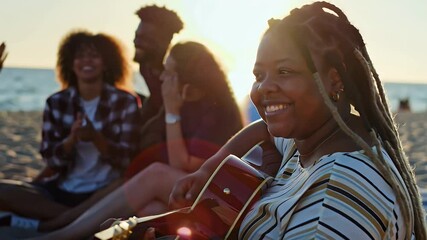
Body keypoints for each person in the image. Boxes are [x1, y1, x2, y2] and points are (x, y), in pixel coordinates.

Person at [167, 2, 426, 239]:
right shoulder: (312, 137)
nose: (264, 87)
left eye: (285, 71)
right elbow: (265, 131)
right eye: (259, 75)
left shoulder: (336, 199)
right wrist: (208, 170)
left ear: (334, 80)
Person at [29, 41, 243, 240]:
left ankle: (62, 236)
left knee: (156, 173)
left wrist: (171, 112)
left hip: (216, 197)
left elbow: (182, 165)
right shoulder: (185, 104)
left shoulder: (216, 112)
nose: (162, 79)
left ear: (187, 79)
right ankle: (72, 229)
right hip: (183, 195)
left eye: (168, 73)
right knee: (151, 210)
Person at [0, 30, 140, 229]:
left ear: (107, 62)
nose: (86, 61)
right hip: (61, 191)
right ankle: (81, 220)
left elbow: (127, 161)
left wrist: (96, 138)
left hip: (104, 192)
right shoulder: (56, 102)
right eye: (80, 56)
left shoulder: (125, 102)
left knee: (123, 189)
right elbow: (51, 161)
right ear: (70, 63)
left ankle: (46, 225)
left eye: (94, 55)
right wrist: (71, 141)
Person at [133, 5, 184, 125]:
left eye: (145, 39)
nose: (136, 42)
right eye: (137, 36)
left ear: (165, 43)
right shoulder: (144, 69)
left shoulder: (177, 81)